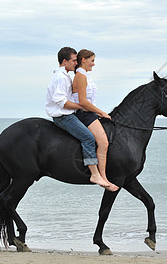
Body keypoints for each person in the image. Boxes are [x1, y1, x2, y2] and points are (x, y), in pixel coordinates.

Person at [45, 47, 117, 191]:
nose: (75, 63)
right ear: (64, 61)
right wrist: (87, 108)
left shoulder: (67, 76)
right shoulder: (62, 77)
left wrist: (86, 107)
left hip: (70, 113)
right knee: (88, 138)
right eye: (73, 60)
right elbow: (61, 100)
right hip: (64, 116)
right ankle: (94, 174)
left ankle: (102, 176)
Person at [72, 49, 118, 191]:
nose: (94, 64)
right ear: (83, 60)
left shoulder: (85, 76)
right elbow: (83, 102)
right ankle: (101, 177)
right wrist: (101, 112)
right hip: (85, 114)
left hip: (90, 113)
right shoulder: (80, 76)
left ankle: (103, 177)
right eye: (92, 60)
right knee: (103, 142)